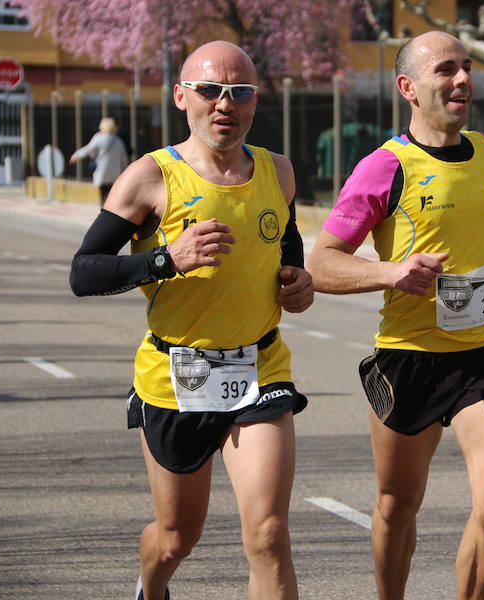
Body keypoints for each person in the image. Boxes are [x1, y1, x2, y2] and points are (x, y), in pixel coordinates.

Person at [68, 41, 313, 600]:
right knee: (178, 537)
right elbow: (84, 272)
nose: (225, 103)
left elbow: (285, 238)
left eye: (240, 92)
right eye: (209, 90)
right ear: (182, 96)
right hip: (178, 375)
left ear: (255, 102)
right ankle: (150, 588)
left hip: (259, 368)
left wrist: (294, 277)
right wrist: (165, 259)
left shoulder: (278, 170)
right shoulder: (151, 176)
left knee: (270, 535)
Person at [307, 30, 484, 600]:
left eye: (466, 67)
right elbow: (321, 263)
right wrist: (390, 273)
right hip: (411, 358)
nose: (462, 79)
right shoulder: (385, 168)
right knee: (396, 504)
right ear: (408, 88)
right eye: (446, 70)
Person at [69, 117, 129, 205]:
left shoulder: (99, 138)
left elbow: (88, 149)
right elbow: (124, 159)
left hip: (103, 172)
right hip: (115, 173)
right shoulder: (118, 141)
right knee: (111, 194)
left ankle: (104, 210)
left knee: (103, 195)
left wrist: (76, 155)